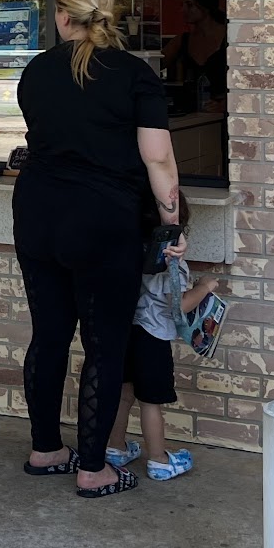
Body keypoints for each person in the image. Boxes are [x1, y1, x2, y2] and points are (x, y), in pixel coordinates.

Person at [14, 0, 181, 499]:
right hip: (103, 221)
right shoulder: (134, 74)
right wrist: (171, 224)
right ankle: (93, 468)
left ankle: (46, 451)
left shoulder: (35, 71)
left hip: (38, 214)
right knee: (104, 346)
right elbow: (159, 161)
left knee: (49, 336)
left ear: (63, 16)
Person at [105, 196, 223, 479]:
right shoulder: (171, 261)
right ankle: (158, 459)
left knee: (123, 394)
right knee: (150, 402)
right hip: (153, 337)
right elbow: (179, 305)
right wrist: (205, 287)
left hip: (126, 330)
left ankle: (115, 448)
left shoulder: (128, 249)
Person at [162, 0, 228, 112]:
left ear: (205, 7)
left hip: (224, 113)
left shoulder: (230, 37)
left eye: (189, 5)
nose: (183, 10)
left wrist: (226, 104)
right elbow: (156, 63)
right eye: (182, 5)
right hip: (193, 111)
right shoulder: (182, 40)